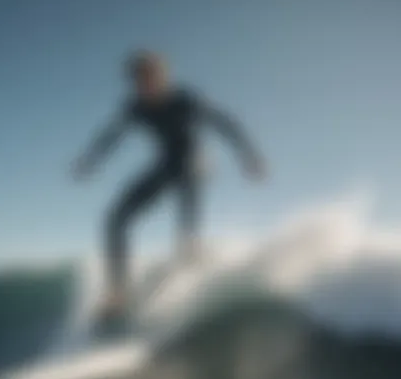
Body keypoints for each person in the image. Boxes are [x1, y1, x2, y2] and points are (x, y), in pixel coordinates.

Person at [71, 50, 267, 326]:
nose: (145, 86)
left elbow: (225, 123)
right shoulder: (136, 107)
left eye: (151, 78)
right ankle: (118, 292)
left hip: (196, 161)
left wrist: (249, 155)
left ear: (164, 77)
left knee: (191, 172)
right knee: (114, 219)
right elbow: (111, 135)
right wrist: (90, 160)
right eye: (139, 81)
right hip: (166, 164)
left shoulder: (186, 100)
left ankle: (190, 243)